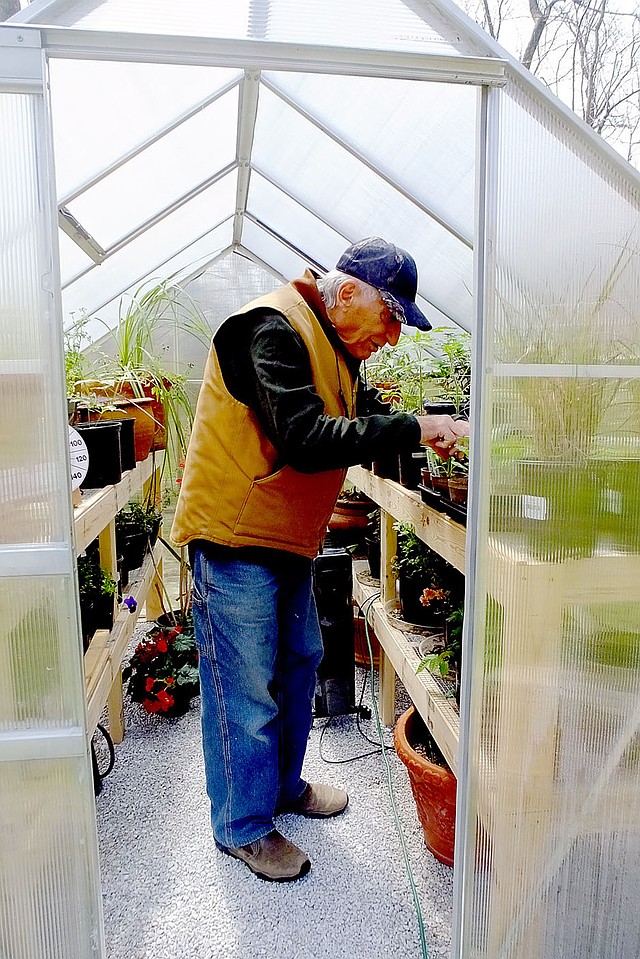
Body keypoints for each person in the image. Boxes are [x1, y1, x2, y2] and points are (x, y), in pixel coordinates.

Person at [171, 236, 469, 882]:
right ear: (351, 293)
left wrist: (420, 429)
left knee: (301, 662)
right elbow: (305, 438)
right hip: (234, 540)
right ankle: (242, 825)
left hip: (284, 539)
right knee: (246, 689)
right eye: (390, 317)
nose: (392, 336)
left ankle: (281, 787)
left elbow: (358, 418)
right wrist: (414, 428)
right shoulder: (270, 329)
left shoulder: (339, 349)